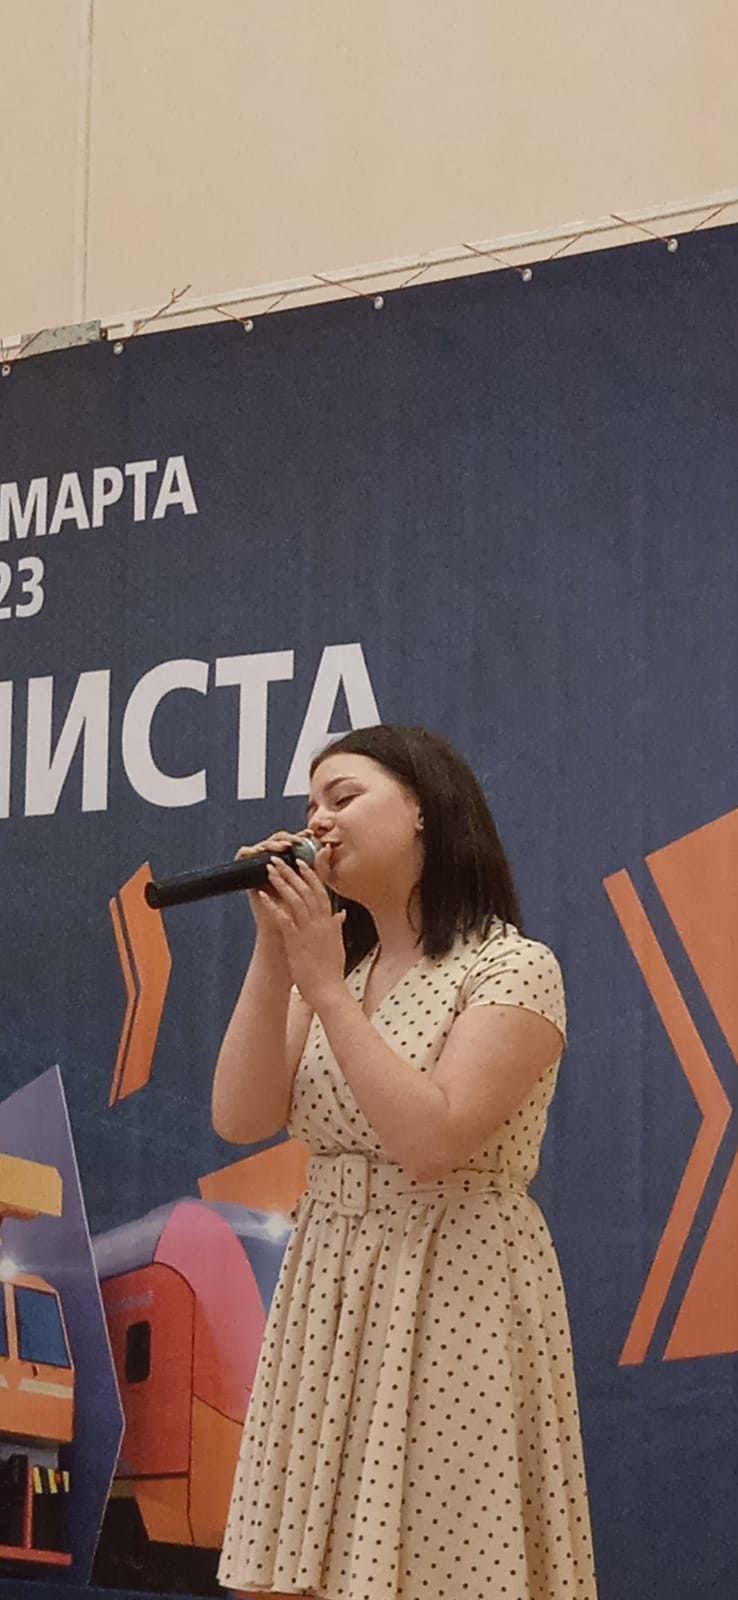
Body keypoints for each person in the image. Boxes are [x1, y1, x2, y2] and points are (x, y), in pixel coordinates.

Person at [213, 724, 597, 1600]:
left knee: (438, 1568)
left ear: (423, 809)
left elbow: (431, 1141)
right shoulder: (338, 974)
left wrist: (321, 985)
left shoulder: (511, 966)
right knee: (287, 1576)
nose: (318, 821)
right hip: (327, 1287)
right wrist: (276, 952)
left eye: (343, 797)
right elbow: (240, 1117)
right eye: (310, 805)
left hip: (453, 1286)